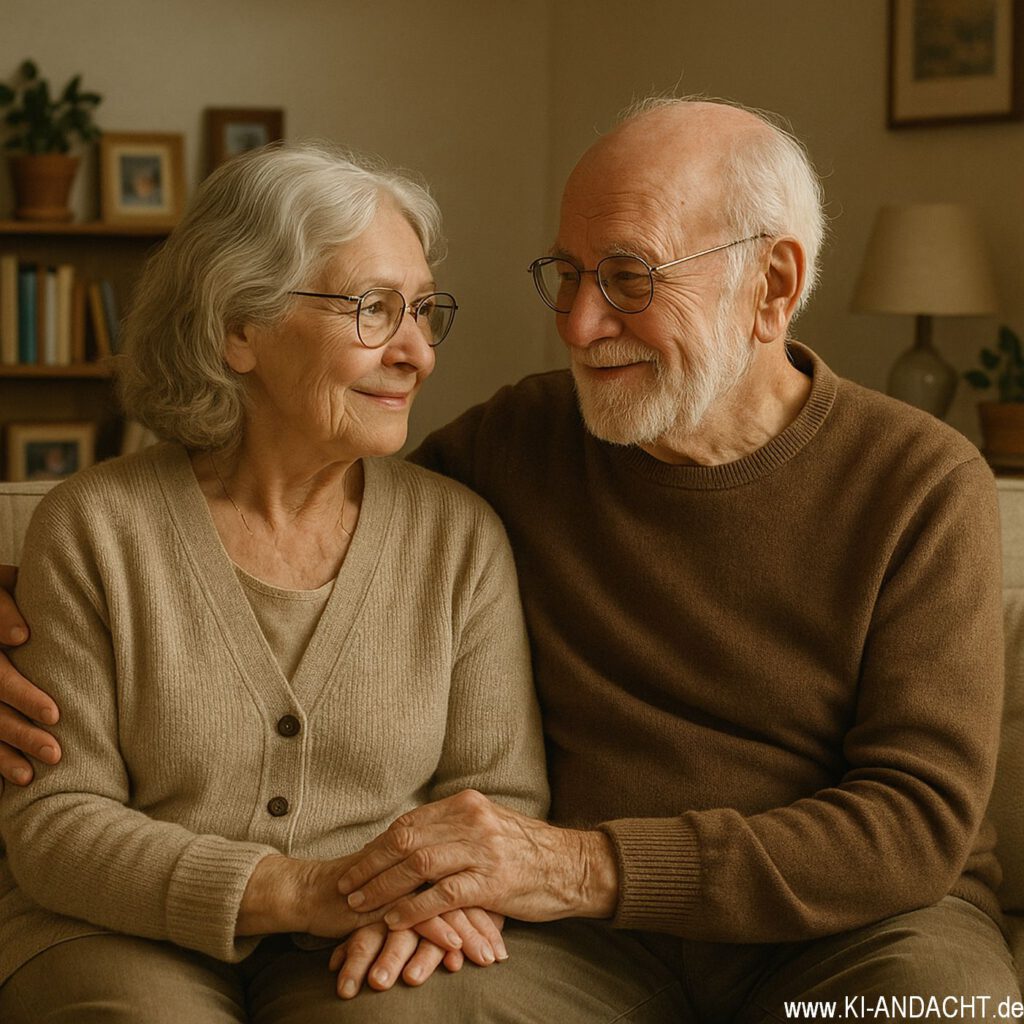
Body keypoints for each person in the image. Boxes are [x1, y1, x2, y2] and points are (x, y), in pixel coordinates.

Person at [1, 97, 1020, 1019]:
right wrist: (21, 610)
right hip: (585, 953)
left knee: (939, 1012)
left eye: (625, 278)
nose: (577, 327)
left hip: (851, 936)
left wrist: (577, 868)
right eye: (566, 276)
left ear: (772, 284)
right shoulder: (518, 446)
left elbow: (913, 821)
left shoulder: (922, 482)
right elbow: (292, 519)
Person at [0, 141, 559, 1021]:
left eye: (423, 311)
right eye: (372, 309)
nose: (418, 352)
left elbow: (498, 798)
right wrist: (295, 891)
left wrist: (434, 899)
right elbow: (58, 824)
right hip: (110, 929)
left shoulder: (459, 536)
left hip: (376, 928)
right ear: (237, 328)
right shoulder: (98, 527)